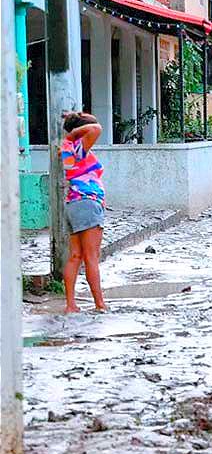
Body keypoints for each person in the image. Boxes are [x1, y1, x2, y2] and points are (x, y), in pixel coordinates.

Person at [60, 112, 107, 314]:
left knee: (75, 256)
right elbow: (97, 128)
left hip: (74, 203)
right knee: (91, 257)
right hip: (88, 203)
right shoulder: (78, 147)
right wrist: (73, 132)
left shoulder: (68, 149)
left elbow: (93, 127)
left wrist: (75, 120)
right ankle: (100, 304)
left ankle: (71, 305)